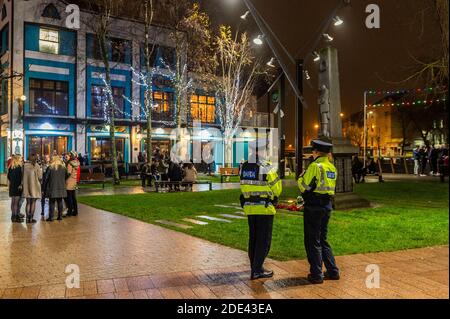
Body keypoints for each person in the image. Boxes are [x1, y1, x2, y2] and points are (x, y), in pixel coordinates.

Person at [297, 139, 339, 284]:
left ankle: (316, 274)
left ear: (316, 152)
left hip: (313, 206)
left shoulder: (315, 166)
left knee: (312, 240)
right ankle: (333, 271)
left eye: (313, 152)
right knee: (323, 239)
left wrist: (301, 177)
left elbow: (303, 187)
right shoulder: (332, 167)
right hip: (326, 205)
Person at [239, 149, 282, 280]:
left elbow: (242, 185)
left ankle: (255, 267)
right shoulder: (267, 167)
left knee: (253, 239)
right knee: (263, 241)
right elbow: (277, 189)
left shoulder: (245, 166)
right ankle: (257, 270)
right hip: (264, 208)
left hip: (250, 208)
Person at [44, 156, 67, 221]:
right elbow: (66, 176)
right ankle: (60, 216)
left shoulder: (50, 167)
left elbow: (46, 178)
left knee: (52, 202)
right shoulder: (63, 167)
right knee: (60, 201)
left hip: (52, 186)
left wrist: (44, 187)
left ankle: (51, 217)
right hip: (61, 186)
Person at [22, 154, 43, 224]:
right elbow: (40, 177)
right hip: (35, 186)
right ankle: (31, 218)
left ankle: (27, 219)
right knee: (33, 203)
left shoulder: (25, 166)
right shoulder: (36, 165)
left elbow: (22, 175)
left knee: (28, 203)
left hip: (27, 186)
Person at [7, 155, 24, 223]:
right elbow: (21, 177)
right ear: (17, 159)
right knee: (16, 203)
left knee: (13, 202)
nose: (21, 159)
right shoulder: (19, 167)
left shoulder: (11, 167)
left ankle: (13, 216)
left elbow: (8, 177)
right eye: (20, 158)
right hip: (18, 187)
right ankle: (16, 217)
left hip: (12, 186)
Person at [65, 151, 80, 217]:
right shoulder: (76, 163)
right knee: (73, 197)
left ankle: (70, 211)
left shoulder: (70, 164)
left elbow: (68, 173)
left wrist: (64, 178)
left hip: (69, 181)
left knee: (69, 197)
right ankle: (75, 211)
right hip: (74, 180)